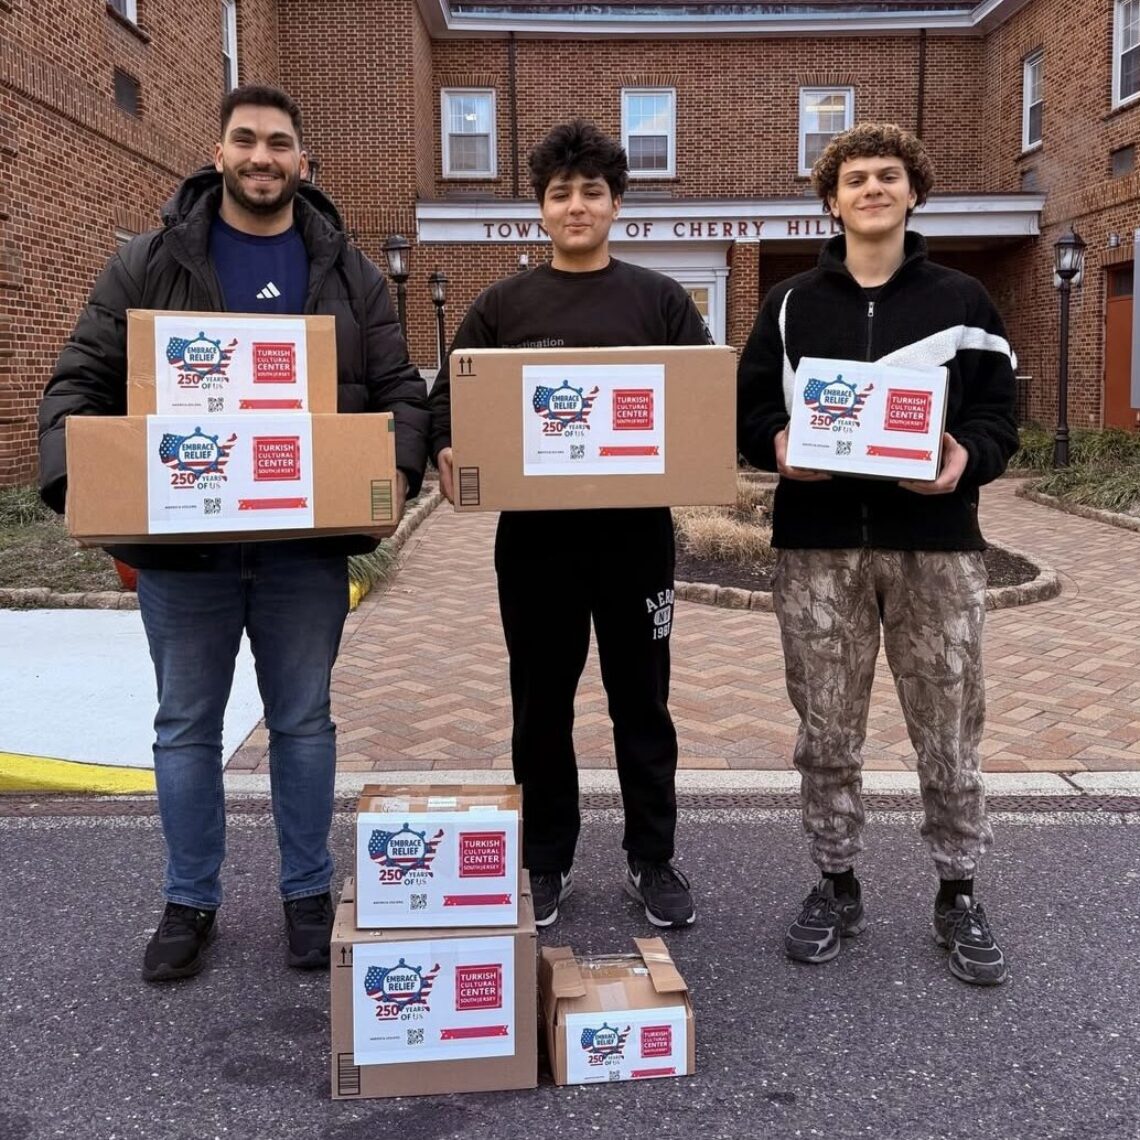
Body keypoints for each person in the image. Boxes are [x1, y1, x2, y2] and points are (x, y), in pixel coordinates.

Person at [38, 85, 429, 982]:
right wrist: (79, 482)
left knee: (303, 723)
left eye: (279, 143)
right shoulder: (147, 264)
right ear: (217, 153)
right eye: (245, 140)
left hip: (303, 551)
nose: (262, 157)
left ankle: (306, 894)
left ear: (302, 161)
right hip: (187, 553)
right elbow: (79, 383)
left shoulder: (349, 273)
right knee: (186, 728)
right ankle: (190, 901)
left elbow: (400, 391)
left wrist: (397, 475)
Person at [736, 123, 1018, 985]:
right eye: (854, 178)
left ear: (913, 191)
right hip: (819, 548)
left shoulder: (964, 300)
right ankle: (835, 880)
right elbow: (751, 411)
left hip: (936, 547)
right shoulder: (789, 304)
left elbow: (998, 418)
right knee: (825, 727)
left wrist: (967, 458)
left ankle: (959, 890)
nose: (871, 189)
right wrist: (777, 445)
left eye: (888, 175)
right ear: (832, 200)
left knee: (950, 725)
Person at [429, 120, 708, 929]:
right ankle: (544, 859)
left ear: (616, 203)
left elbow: (702, 399)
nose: (576, 206)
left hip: (635, 538)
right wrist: (446, 445)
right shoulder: (502, 306)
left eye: (592, 192)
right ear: (541, 208)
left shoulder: (658, 300)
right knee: (541, 705)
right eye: (560, 194)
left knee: (642, 704)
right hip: (536, 542)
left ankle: (652, 857)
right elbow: (449, 399)